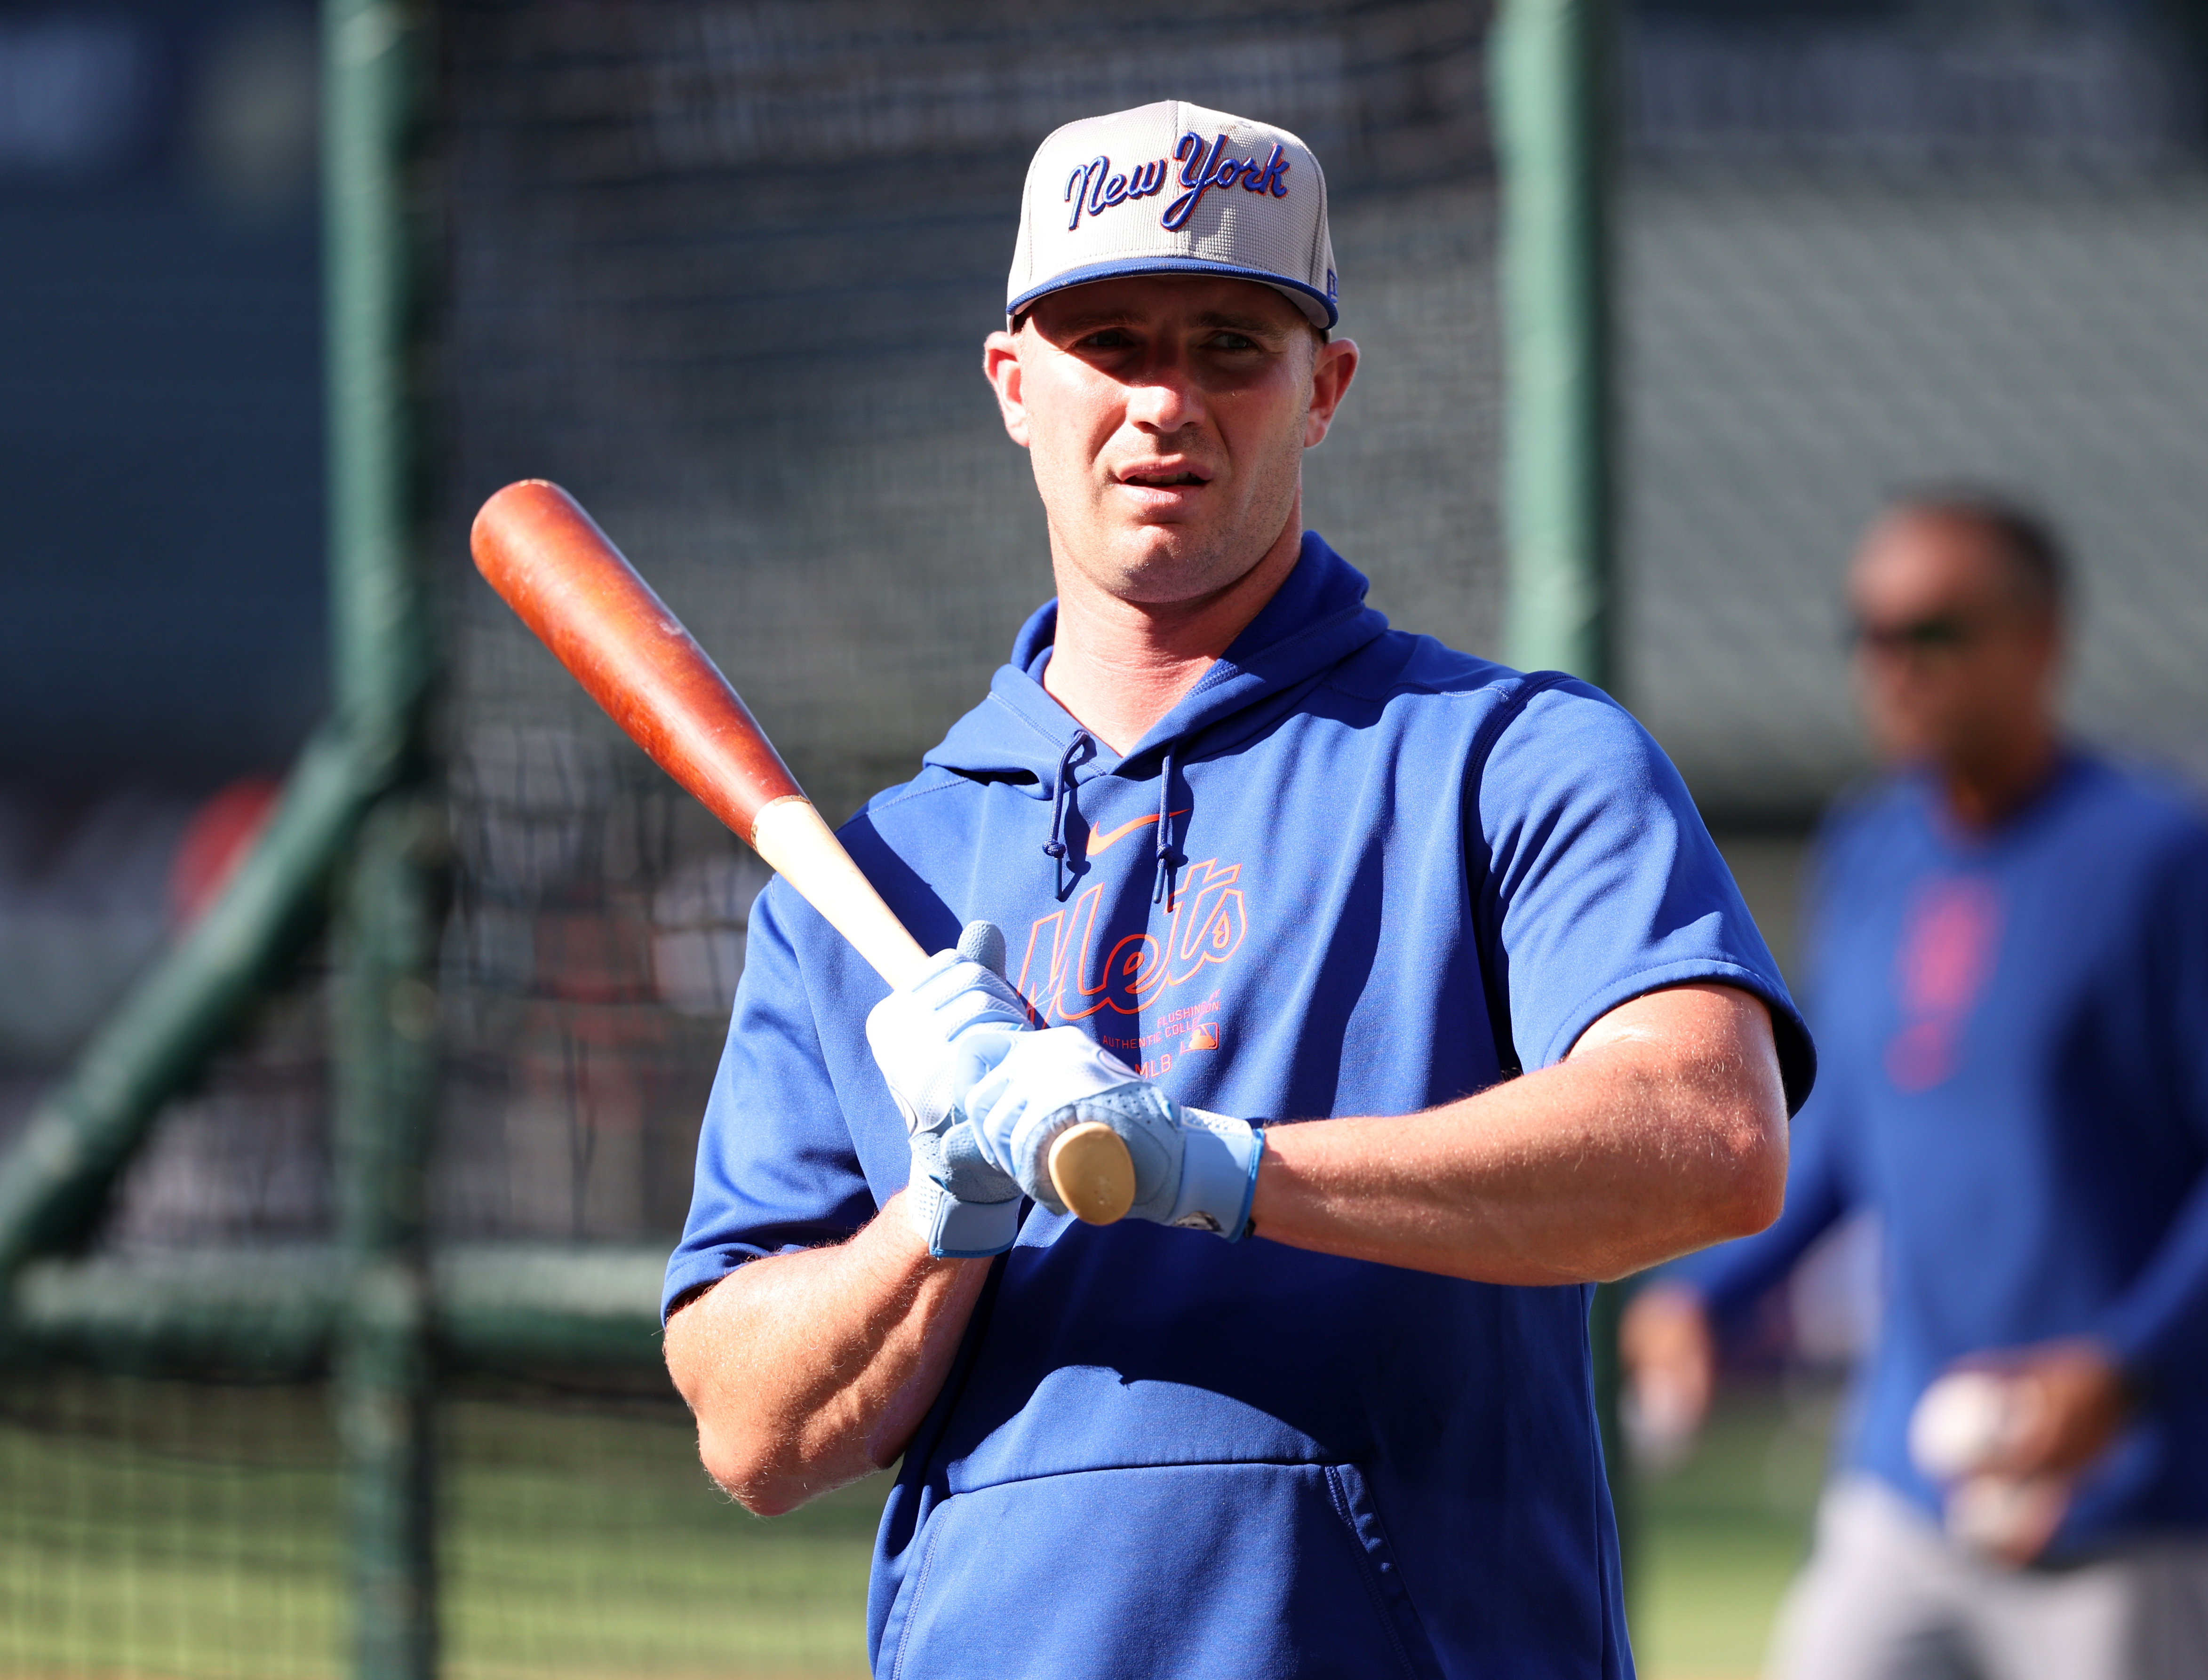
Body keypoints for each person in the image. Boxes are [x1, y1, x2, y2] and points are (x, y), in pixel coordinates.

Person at [660, 100, 1814, 1678]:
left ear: (1321, 387)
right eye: (1110, 341)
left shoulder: (1506, 758)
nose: (1163, 401)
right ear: (1013, 381)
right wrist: (938, 1215)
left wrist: (1217, 1168)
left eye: (1228, 346)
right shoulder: (870, 877)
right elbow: (748, 1423)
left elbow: (1706, 1140)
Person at [1626, 491, 2208, 1680]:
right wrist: (1712, 1294)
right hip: (1906, 1481)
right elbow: (1853, 1128)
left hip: (2127, 1493)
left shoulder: (2166, 863)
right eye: (1870, 634)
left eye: (1936, 633)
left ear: (2040, 639)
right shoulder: (1868, 850)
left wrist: (2121, 1364)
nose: (1894, 665)